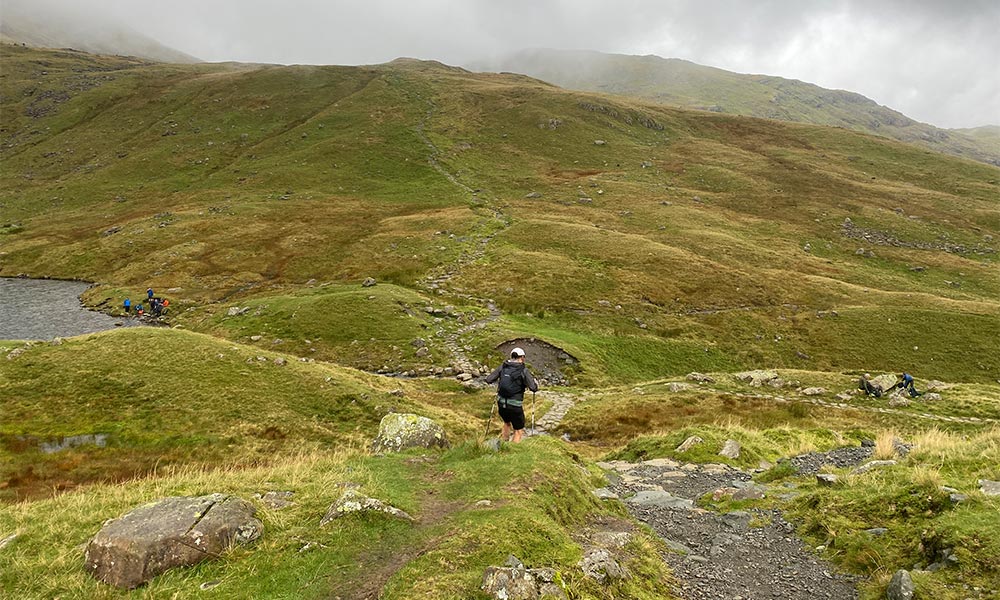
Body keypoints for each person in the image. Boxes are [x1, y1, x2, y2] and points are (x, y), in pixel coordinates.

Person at [485, 347, 539, 443]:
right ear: (522, 357)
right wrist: (535, 384)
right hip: (515, 405)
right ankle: (512, 451)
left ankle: (503, 445)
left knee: (506, 423)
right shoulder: (523, 370)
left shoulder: (503, 366)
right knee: (518, 429)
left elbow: (489, 379)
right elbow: (533, 388)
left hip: (501, 403)